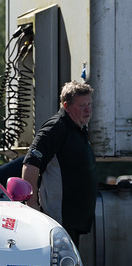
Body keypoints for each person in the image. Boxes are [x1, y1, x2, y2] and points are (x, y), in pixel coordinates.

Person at [21, 81, 96, 247]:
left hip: (74, 219)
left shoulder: (79, 128)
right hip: (59, 220)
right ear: (66, 106)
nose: (88, 109)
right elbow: (30, 164)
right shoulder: (55, 128)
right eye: (82, 105)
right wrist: (32, 204)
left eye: (89, 104)